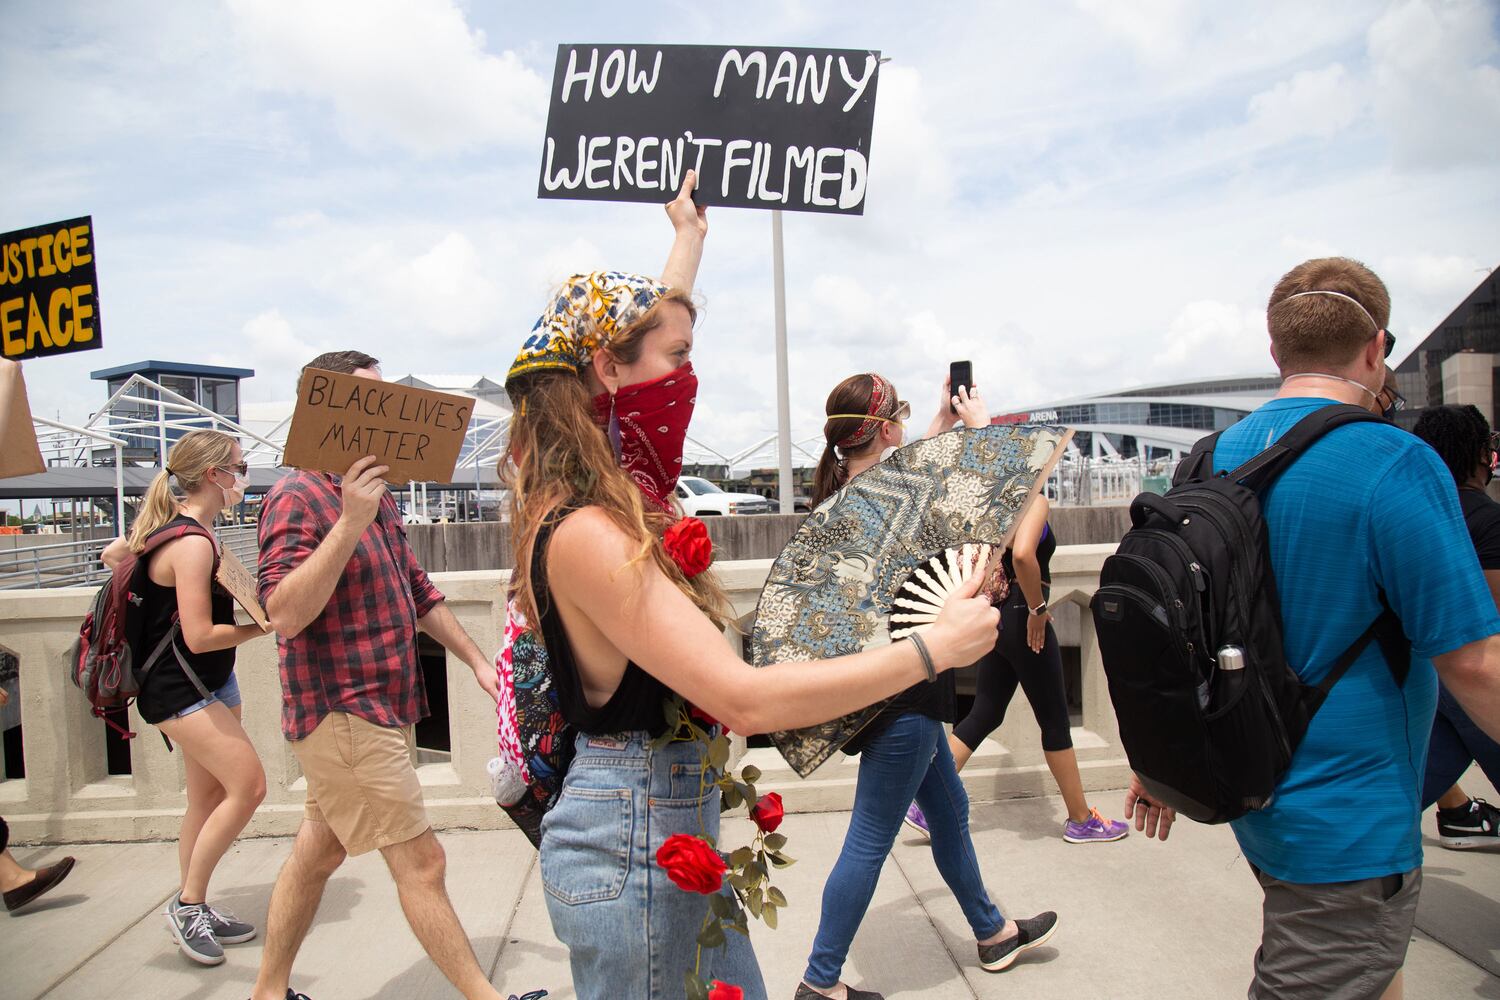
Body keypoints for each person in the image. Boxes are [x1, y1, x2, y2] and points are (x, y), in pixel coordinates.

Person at [503, 176, 1001, 1000]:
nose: (686, 382)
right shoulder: (590, 531)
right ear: (604, 368)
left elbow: (639, 355)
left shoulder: (602, 494)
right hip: (632, 842)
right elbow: (746, 700)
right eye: (679, 358)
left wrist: (688, 241)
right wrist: (932, 648)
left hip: (656, 825)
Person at [1126, 257, 1500, 1000]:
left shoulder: (1211, 460)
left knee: (1375, 976)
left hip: (1250, 792)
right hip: (1347, 827)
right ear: (1376, 348)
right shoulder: (1396, 461)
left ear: (1276, 353)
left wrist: (1160, 758)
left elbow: (1178, 630)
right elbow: (1475, 664)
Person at [250, 352, 524, 1000]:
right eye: (368, 399)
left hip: (381, 706)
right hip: (343, 712)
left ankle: (267, 990)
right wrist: (347, 521)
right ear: (326, 408)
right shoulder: (298, 495)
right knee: (422, 862)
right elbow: (284, 613)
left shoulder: (378, 491)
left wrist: (479, 663)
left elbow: (416, 591)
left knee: (318, 853)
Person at [787, 373, 1055, 1000]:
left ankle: (993, 933)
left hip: (880, 685)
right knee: (870, 838)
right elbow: (997, 501)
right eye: (899, 419)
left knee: (950, 812)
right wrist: (985, 434)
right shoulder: (901, 498)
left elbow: (906, 473)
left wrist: (938, 420)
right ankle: (819, 982)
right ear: (884, 431)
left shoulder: (849, 498)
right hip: (908, 693)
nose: (908, 429)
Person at [100, 430, 267, 964]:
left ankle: (196, 901)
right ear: (215, 475)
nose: (245, 476)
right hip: (182, 688)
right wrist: (262, 628)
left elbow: (111, 555)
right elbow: (198, 635)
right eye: (240, 467)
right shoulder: (193, 542)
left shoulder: (173, 528)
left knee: (207, 799)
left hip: (208, 682)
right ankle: (188, 903)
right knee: (250, 787)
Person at [907, 485, 1129, 844]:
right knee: (1055, 720)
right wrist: (1038, 610)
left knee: (985, 713)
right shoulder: (1034, 501)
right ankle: (1081, 820)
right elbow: (1024, 555)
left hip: (998, 614)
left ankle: (924, 805)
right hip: (1024, 618)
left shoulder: (996, 501)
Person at [1411, 404, 1500, 849]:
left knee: (1408, 789)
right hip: (1475, 675)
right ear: (1483, 455)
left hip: (1424, 675)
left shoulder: (1416, 515)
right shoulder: (1488, 520)